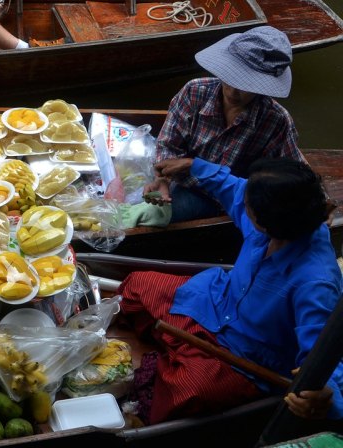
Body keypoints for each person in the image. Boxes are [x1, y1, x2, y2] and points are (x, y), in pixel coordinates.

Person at [120, 156, 342, 425]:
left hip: (244, 358)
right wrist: (193, 166)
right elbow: (233, 186)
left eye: (247, 205)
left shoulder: (316, 282)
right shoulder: (276, 217)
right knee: (137, 286)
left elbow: (322, 356)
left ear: (262, 221)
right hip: (214, 303)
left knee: (187, 391)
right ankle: (178, 355)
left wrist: (322, 396)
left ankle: (179, 360)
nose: (241, 202)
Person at [143, 26, 304, 223]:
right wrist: (163, 178)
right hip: (186, 181)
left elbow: (295, 173)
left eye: (247, 85)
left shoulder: (276, 120)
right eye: (231, 77)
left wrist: (319, 204)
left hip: (230, 198)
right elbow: (169, 144)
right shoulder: (194, 92)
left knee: (157, 217)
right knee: (145, 205)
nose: (234, 91)